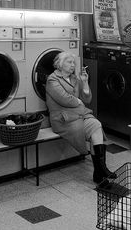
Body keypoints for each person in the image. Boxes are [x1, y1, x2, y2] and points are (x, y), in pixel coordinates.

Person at [45, 52, 116, 184]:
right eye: (69, 62)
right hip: (63, 119)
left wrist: (84, 83)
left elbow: (87, 99)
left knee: (96, 125)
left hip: (78, 115)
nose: (73, 65)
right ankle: (101, 172)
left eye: (73, 63)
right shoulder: (52, 79)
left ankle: (100, 171)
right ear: (59, 65)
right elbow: (64, 99)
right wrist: (78, 102)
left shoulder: (74, 79)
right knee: (92, 128)